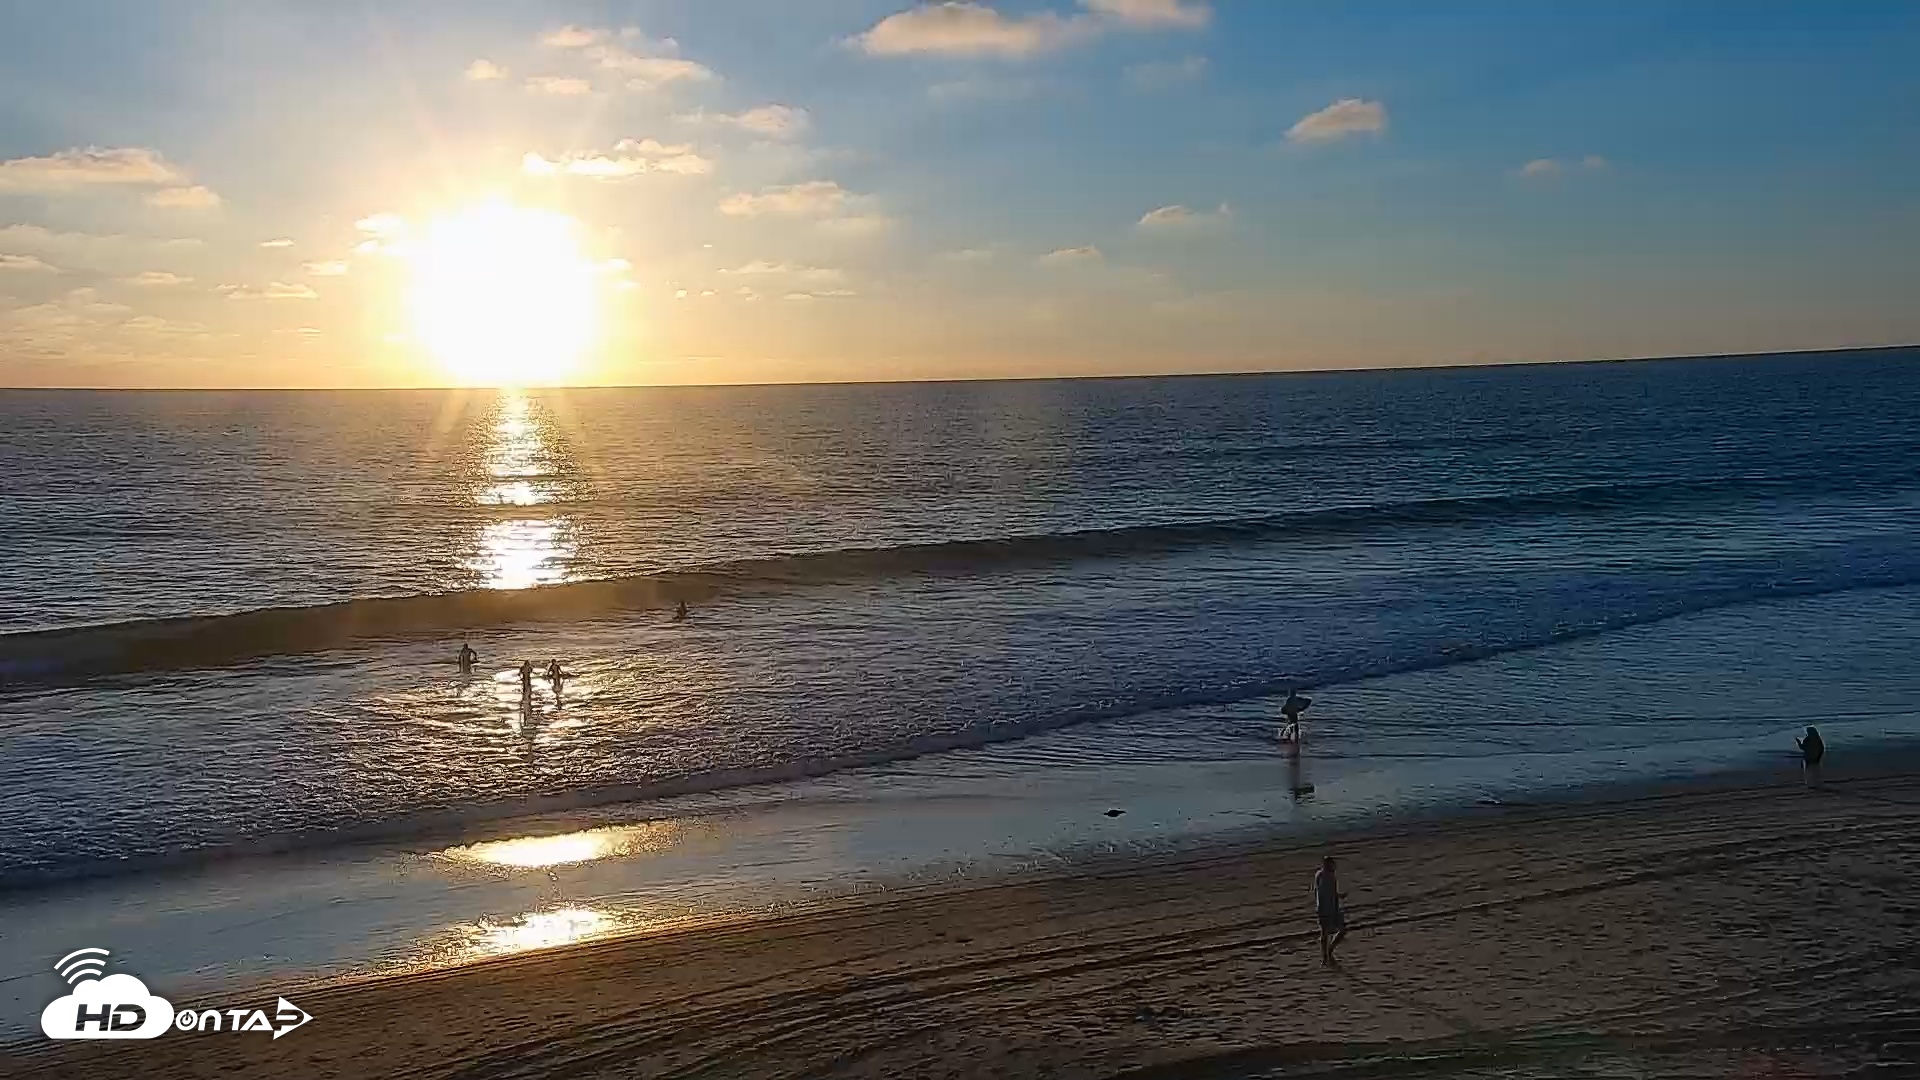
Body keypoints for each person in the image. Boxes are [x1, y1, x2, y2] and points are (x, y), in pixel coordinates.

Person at [1314, 855, 1348, 968]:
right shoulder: (1322, 876)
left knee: (1342, 930)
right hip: (1325, 908)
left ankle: (1329, 951)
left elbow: (1331, 892)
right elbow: (1322, 894)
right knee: (1325, 933)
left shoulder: (1330, 876)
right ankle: (1326, 956)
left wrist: (1339, 896)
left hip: (1333, 907)